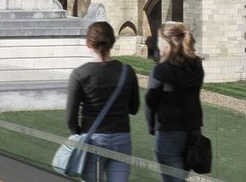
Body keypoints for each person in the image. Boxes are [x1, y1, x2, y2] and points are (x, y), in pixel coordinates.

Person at [66, 21, 140, 182]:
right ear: (113, 42)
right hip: (121, 137)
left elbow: (70, 118)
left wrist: (79, 133)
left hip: (93, 139)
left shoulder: (80, 74)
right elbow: (134, 108)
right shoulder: (127, 71)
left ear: (88, 43)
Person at [144, 21, 205, 182]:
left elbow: (150, 103)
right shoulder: (196, 66)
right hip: (193, 131)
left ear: (166, 43)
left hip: (168, 133)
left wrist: (152, 127)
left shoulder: (161, 70)